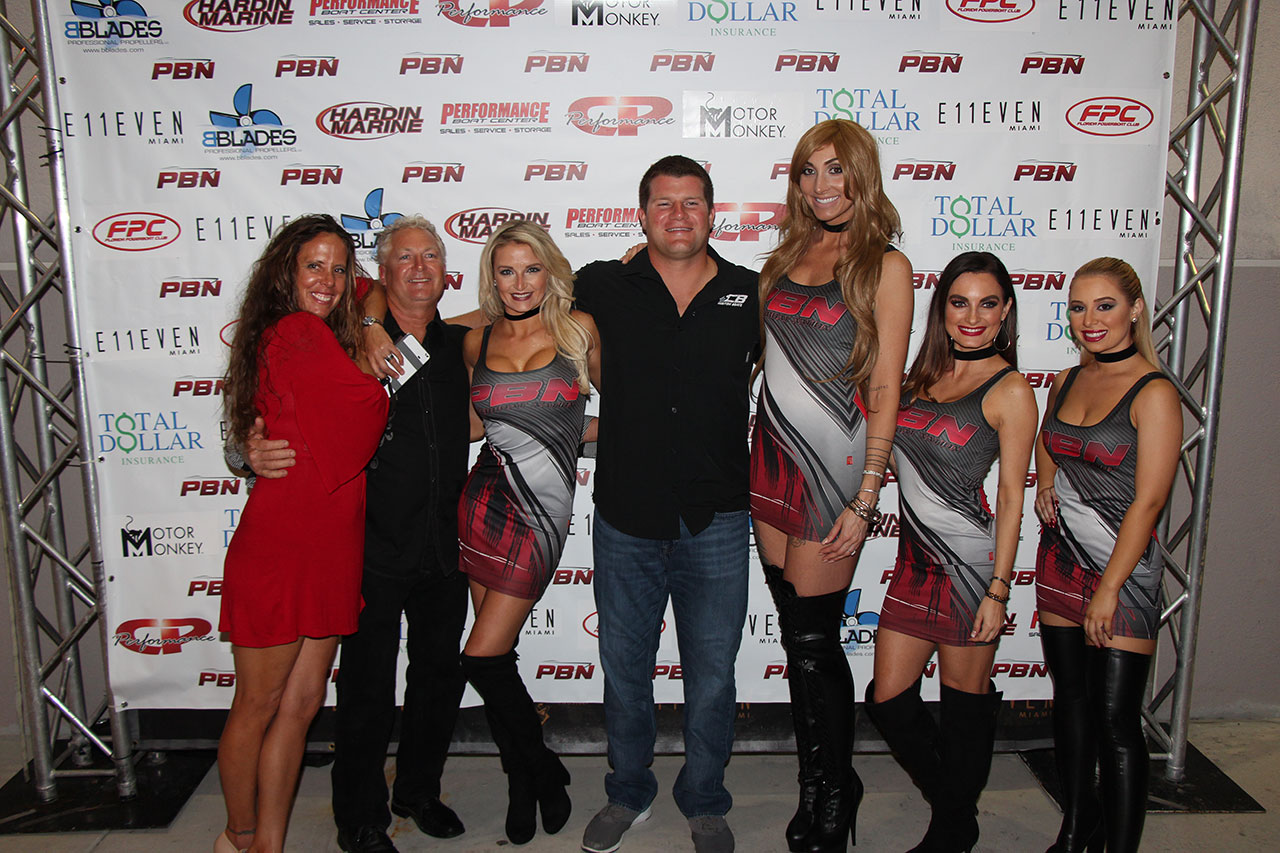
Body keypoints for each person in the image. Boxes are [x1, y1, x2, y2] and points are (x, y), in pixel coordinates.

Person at [247, 216, 473, 853]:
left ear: (446, 271)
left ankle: (419, 791)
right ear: (381, 272)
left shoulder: (464, 345)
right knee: (367, 686)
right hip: (368, 545)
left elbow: (531, 310)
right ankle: (360, 817)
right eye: (405, 257)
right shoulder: (347, 342)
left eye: (431, 257)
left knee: (437, 676)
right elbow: (268, 410)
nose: (420, 268)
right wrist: (247, 450)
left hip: (444, 542)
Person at [575, 156, 760, 853]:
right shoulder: (602, 283)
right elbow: (509, 307)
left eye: (691, 203)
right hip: (627, 514)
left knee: (712, 675)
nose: (677, 215)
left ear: (711, 212)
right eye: (663, 203)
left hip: (718, 517)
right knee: (625, 670)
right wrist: (382, 323)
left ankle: (705, 798)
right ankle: (628, 791)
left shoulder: (751, 292)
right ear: (641, 214)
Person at [749, 119, 913, 853]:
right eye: (808, 171)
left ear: (860, 175)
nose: (821, 185)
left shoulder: (885, 266)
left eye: (835, 170)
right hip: (770, 462)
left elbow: (885, 386)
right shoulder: (782, 259)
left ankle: (836, 790)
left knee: (816, 641)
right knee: (797, 637)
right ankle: (817, 783)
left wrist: (866, 496)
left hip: (835, 471)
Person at [216, 215, 389, 853]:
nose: (329, 279)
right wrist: (370, 348)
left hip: (331, 546)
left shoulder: (319, 332)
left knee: (302, 704)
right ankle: (237, 837)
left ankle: (269, 843)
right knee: (259, 705)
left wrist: (367, 320)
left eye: (339, 268)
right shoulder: (296, 332)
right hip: (285, 544)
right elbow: (368, 407)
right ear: (284, 273)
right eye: (313, 265)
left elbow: (370, 289)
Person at [865, 252, 1037, 853]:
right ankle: (958, 809)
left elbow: (1011, 498)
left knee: (964, 706)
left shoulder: (1010, 389)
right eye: (959, 302)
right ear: (941, 309)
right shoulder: (919, 376)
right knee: (888, 699)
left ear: (1005, 311)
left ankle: (950, 830)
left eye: (987, 303)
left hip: (969, 570)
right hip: (913, 566)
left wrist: (999, 589)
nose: (973, 316)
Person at [456, 220, 601, 844]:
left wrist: (569, 436)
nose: (520, 283)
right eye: (507, 270)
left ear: (550, 272)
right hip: (482, 502)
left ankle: (540, 768)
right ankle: (525, 777)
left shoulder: (579, 330)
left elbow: (623, 409)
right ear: (492, 278)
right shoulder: (476, 340)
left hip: (541, 514)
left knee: (480, 656)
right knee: (499, 657)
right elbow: (474, 425)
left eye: (532, 269)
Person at [1034, 258, 1180, 853]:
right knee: (1070, 702)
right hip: (1060, 559)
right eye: (1078, 307)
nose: (1089, 319)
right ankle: (1076, 828)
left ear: (1135, 310)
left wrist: (1111, 589)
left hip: (1123, 574)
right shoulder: (1067, 380)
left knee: (1117, 721)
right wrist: (1047, 480)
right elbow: (1050, 440)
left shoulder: (1155, 393)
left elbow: (1149, 502)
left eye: (1104, 305)